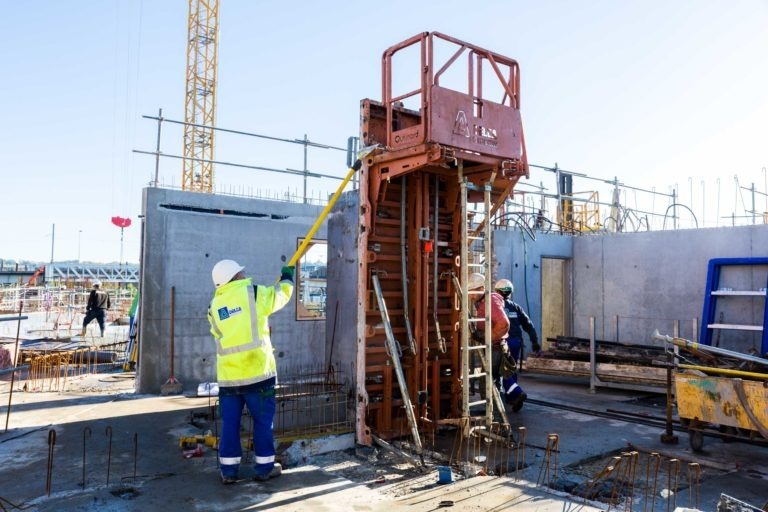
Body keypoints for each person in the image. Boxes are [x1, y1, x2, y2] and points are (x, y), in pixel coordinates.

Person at [207, 259, 294, 485]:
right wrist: (287, 277)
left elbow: (220, 335)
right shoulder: (254, 293)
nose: (245, 273)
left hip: (229, 379)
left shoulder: (213, 306)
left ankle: (229, 471)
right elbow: (281, 295)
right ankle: (264, 468)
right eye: (241, 271)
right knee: (263, 423)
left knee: (230, 425)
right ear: (234, 276)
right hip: (258, 375)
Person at [494, 278, 540, 412]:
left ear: (497, 291)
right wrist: (535, 342)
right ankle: (511, 398)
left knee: (501, 371)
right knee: (511, 369)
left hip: (504, 343)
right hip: (516, 343)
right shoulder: (516, 307)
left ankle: (517, 393)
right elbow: (529, 325)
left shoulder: (496, 307)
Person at [467, 273, 510, 400]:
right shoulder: (484, 301)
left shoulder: (489, 301)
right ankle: (496, 414)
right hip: (495, 348)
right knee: (493, 383)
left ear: (481, 289)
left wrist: (487, 337)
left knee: (486, 385)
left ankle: (494, 416)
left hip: (495, 348)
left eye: (472, 292)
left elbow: (504, 324)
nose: (471, 297)